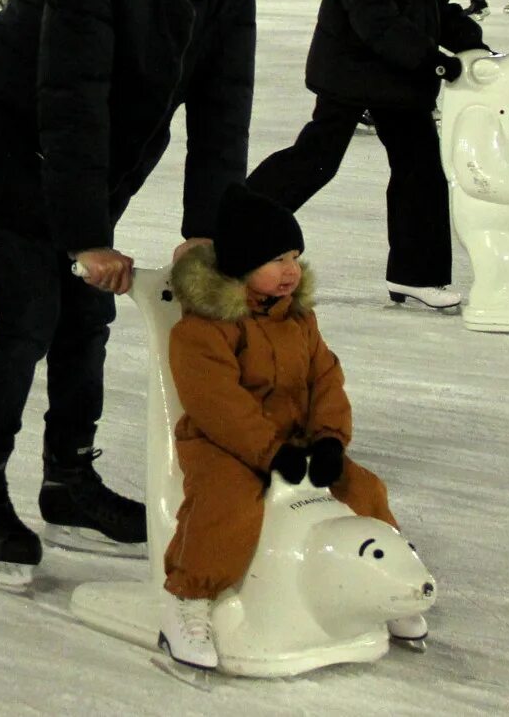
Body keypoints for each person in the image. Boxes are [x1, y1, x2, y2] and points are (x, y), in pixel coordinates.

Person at [0, 0, 261, 590]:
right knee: (30, 314)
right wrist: (86, 236)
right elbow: (71, 104)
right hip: (13, 139)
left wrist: (208, 234)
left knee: (88, 316)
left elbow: (223, 114)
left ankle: (68, 482)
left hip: (96, 155)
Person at [159, 184, 410, 669]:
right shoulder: (202, 328)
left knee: (363, 488)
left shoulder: (299, 318)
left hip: (296, 440)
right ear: (241, 267)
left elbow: (325, 378)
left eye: (294, 256)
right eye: (276, 259)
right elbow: (218, 405)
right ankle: (187, 598)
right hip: (223, 445)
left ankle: (385, 580)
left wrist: (330, 440)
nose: (291, 270)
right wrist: (269, 452)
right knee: (227, 502)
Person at [248, 0, 489, 309]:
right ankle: (237, 229)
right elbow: (372, 14)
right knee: (318, 158)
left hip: (387, 71)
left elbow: (430, 2)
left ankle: (416, 275)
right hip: (354, 67)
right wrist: (433, 62)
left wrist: (470, 42)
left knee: (417, 167)